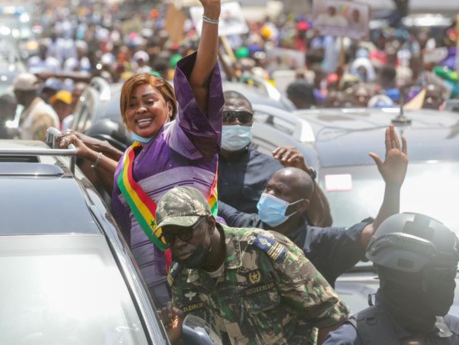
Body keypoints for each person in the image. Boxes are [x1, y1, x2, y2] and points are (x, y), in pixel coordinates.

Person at [62, 0, 226, 305]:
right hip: (153, 301)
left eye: (148, 100)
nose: (139, 109)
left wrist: (210, 16)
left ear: (171, 105)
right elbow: (130, 181)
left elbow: (200, 79)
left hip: (198, 287)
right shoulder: (133, 157)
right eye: (130, 105)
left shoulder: (183, 136)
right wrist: (88, 153)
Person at [219, 125, 408, 286]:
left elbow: (378, 233)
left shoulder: (321, 243)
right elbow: (202, 200)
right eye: (267, 189)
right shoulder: (244, 227)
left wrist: (393, 186)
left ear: (301, 205)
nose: (269, 195)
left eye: (280, 191)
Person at [157, 186, 349, 344]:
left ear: (209, 224)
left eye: (185, 233)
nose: (179, 243)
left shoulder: (262, 250)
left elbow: (332, 316)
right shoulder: (181, 277)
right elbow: (189, 333)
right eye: (170, 237)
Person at [324, 212, 459, 344]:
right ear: (405, 279)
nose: (451, 284)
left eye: (452, 274)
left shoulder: (454, 331)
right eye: (445, 275)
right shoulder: (351, 339)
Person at [217, 90, 332, 226]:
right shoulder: (198, 166)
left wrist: (306, 173)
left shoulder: (274, 169)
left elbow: (321, 222)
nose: (237, 123)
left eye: (244, 118)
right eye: (228, 117)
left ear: (252, 122)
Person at [13, 72, 59, 141]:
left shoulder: (41, 114)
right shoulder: (30, 111)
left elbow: (40, 147)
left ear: (24, 93)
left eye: (16, 92)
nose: (15, 96)